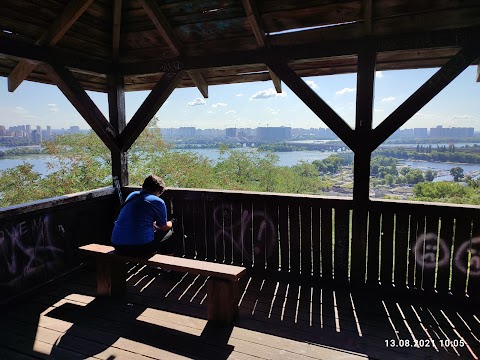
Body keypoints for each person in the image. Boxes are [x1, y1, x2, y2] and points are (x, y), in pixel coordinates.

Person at [111, 174, 176, 256]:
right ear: (159, 191)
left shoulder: (132, 195)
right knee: (169, 233)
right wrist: (172, 222)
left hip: (118, 245)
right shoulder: (158, 201)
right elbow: (164, 227)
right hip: (140, 248)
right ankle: (166, 266)